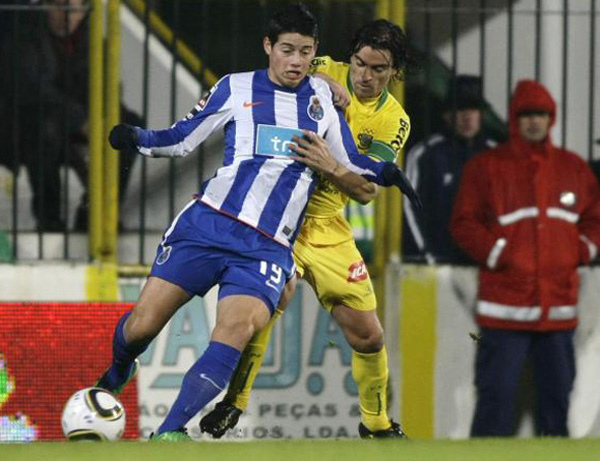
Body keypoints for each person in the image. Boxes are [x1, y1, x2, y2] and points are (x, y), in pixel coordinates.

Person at [96, 4, 420, 441]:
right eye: (287, 50)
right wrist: (136, 138)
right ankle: (119, 369)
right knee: (141, 327)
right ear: (268, 46)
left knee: (241, 327)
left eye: (305, 53)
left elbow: (357, 170)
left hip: (274, 241)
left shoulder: (348, 108)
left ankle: (171, 433)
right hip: (209, 223)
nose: (296, 61)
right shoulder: (239, 86)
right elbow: (182, 138)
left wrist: (386, 174)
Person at [199, 19, 414, 440]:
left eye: (378, 69)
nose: (364, 77)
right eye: (359, 64)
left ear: (395, 71)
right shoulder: (322, 67)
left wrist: (329, 164)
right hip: (282, 215)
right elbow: (276, 73)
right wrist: (316, 76)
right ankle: (233, 403)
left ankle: (376, 425)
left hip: (329, 225)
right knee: (272, 298)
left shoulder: (393, 120)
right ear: (348, 57)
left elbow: (367, 191)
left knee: (368, 335)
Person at [450, 79, 600, 437]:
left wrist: (580, 251)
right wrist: (499, 253)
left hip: (558, 313)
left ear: (553, 119)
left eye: (542, 115)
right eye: (527, 114)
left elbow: (595, 220)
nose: (535, 121)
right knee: (496, 400)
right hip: (505, 311)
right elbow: (463, 223)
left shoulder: (573, 168)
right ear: (515, 119)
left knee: (556, 402)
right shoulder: (486, 168)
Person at [0, 0, 140, 231]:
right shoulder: (25, 36)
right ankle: (49, 219)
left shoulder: (91, 39)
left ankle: (94, 213)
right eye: (59, 6)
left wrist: (106, 119)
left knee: (130, 127)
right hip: (29, 127)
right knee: (45, 130)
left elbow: (108, 86)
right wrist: (81, 121)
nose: (66, 16)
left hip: (77, 124)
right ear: (46, 6)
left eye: (73, 9)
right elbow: (31, 89)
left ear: (83, 11)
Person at [404, 75, 495, 264]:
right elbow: (409, 206)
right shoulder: (426, 154)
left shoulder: (495, 155)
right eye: (460, 109)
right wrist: (427, 256)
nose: (467, 116)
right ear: (446, 115)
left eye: (473, 109)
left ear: (481, 114)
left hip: (486, 266)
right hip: (439, 264)